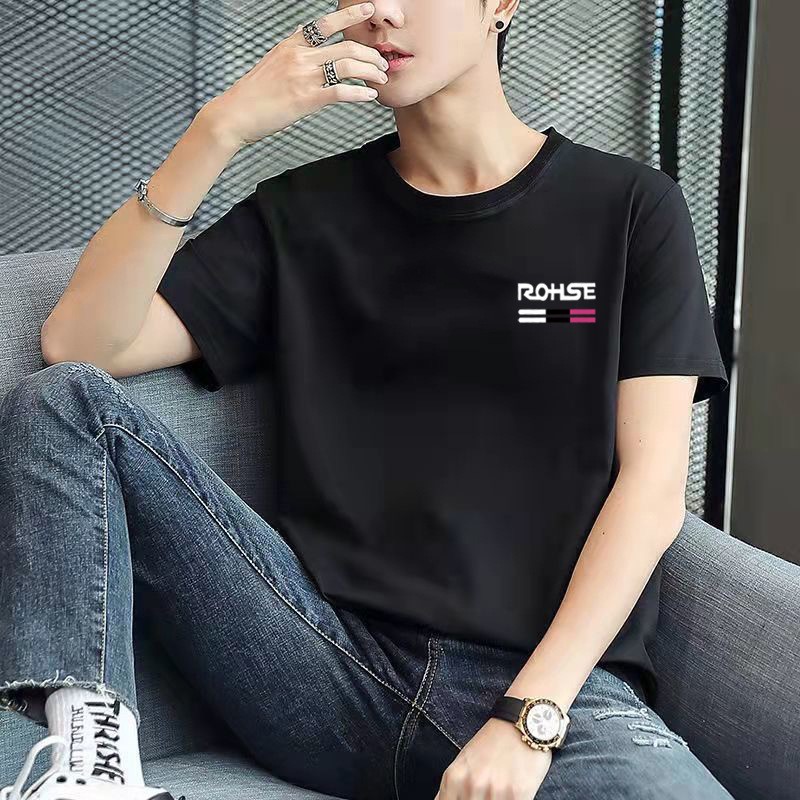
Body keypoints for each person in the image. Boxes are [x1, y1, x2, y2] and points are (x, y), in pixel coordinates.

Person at [0, 1, 735, 799]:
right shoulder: (301, 215)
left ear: (500, 4)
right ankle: (91, 773)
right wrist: (219, 129)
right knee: (66, 403)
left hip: (546, 686)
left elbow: (653, 488)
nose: (385, 11)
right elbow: (82, 343)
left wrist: (530, 715)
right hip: (323, 665)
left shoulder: (628, 209)